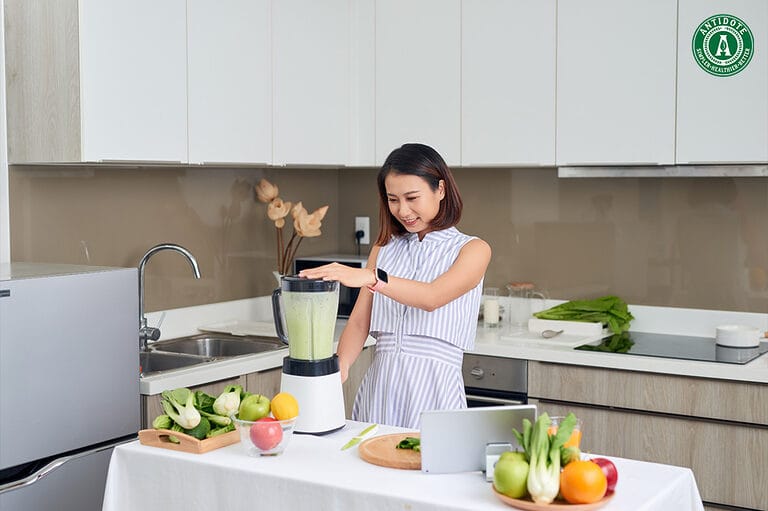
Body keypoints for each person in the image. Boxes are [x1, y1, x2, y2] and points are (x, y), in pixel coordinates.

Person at [298, 143, 491, 428]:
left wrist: (371, 277)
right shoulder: (385, 248)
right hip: (381, 390)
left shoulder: (472, 249)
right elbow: (359, 322)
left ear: (440, 189)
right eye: (393, 199)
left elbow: (431, 297)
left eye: (412, 197)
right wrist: (341, 366)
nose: (403, 210)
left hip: (435, 394)